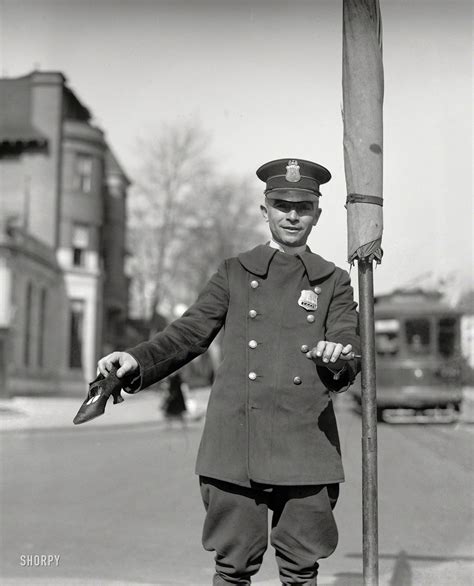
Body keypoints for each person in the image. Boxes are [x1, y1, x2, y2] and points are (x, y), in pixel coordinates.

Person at [98, 158, 361, 585]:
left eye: (304, 207)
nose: (292, 215)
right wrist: (136, 359)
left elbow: (348, 349)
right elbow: (188, 333)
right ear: (265, 211)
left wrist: (338, 356)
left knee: (301, 569)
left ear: (317, 213)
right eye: (281, 205)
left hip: (305, 447)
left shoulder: (333, 282)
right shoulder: (234, 272)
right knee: (233, 567)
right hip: (236, 445)